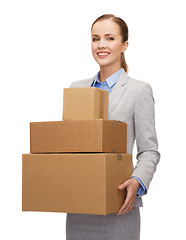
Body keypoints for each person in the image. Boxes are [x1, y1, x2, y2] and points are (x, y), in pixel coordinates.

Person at [66, 14, 160, 240]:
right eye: (95, 38)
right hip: (80, 209)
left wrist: (137, 182)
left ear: (124, 45)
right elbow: (68, 145)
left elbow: (149, 151)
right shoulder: (76, 89)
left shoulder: (139, 91)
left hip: (120, 208)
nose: (101, 45)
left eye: (109, 38)